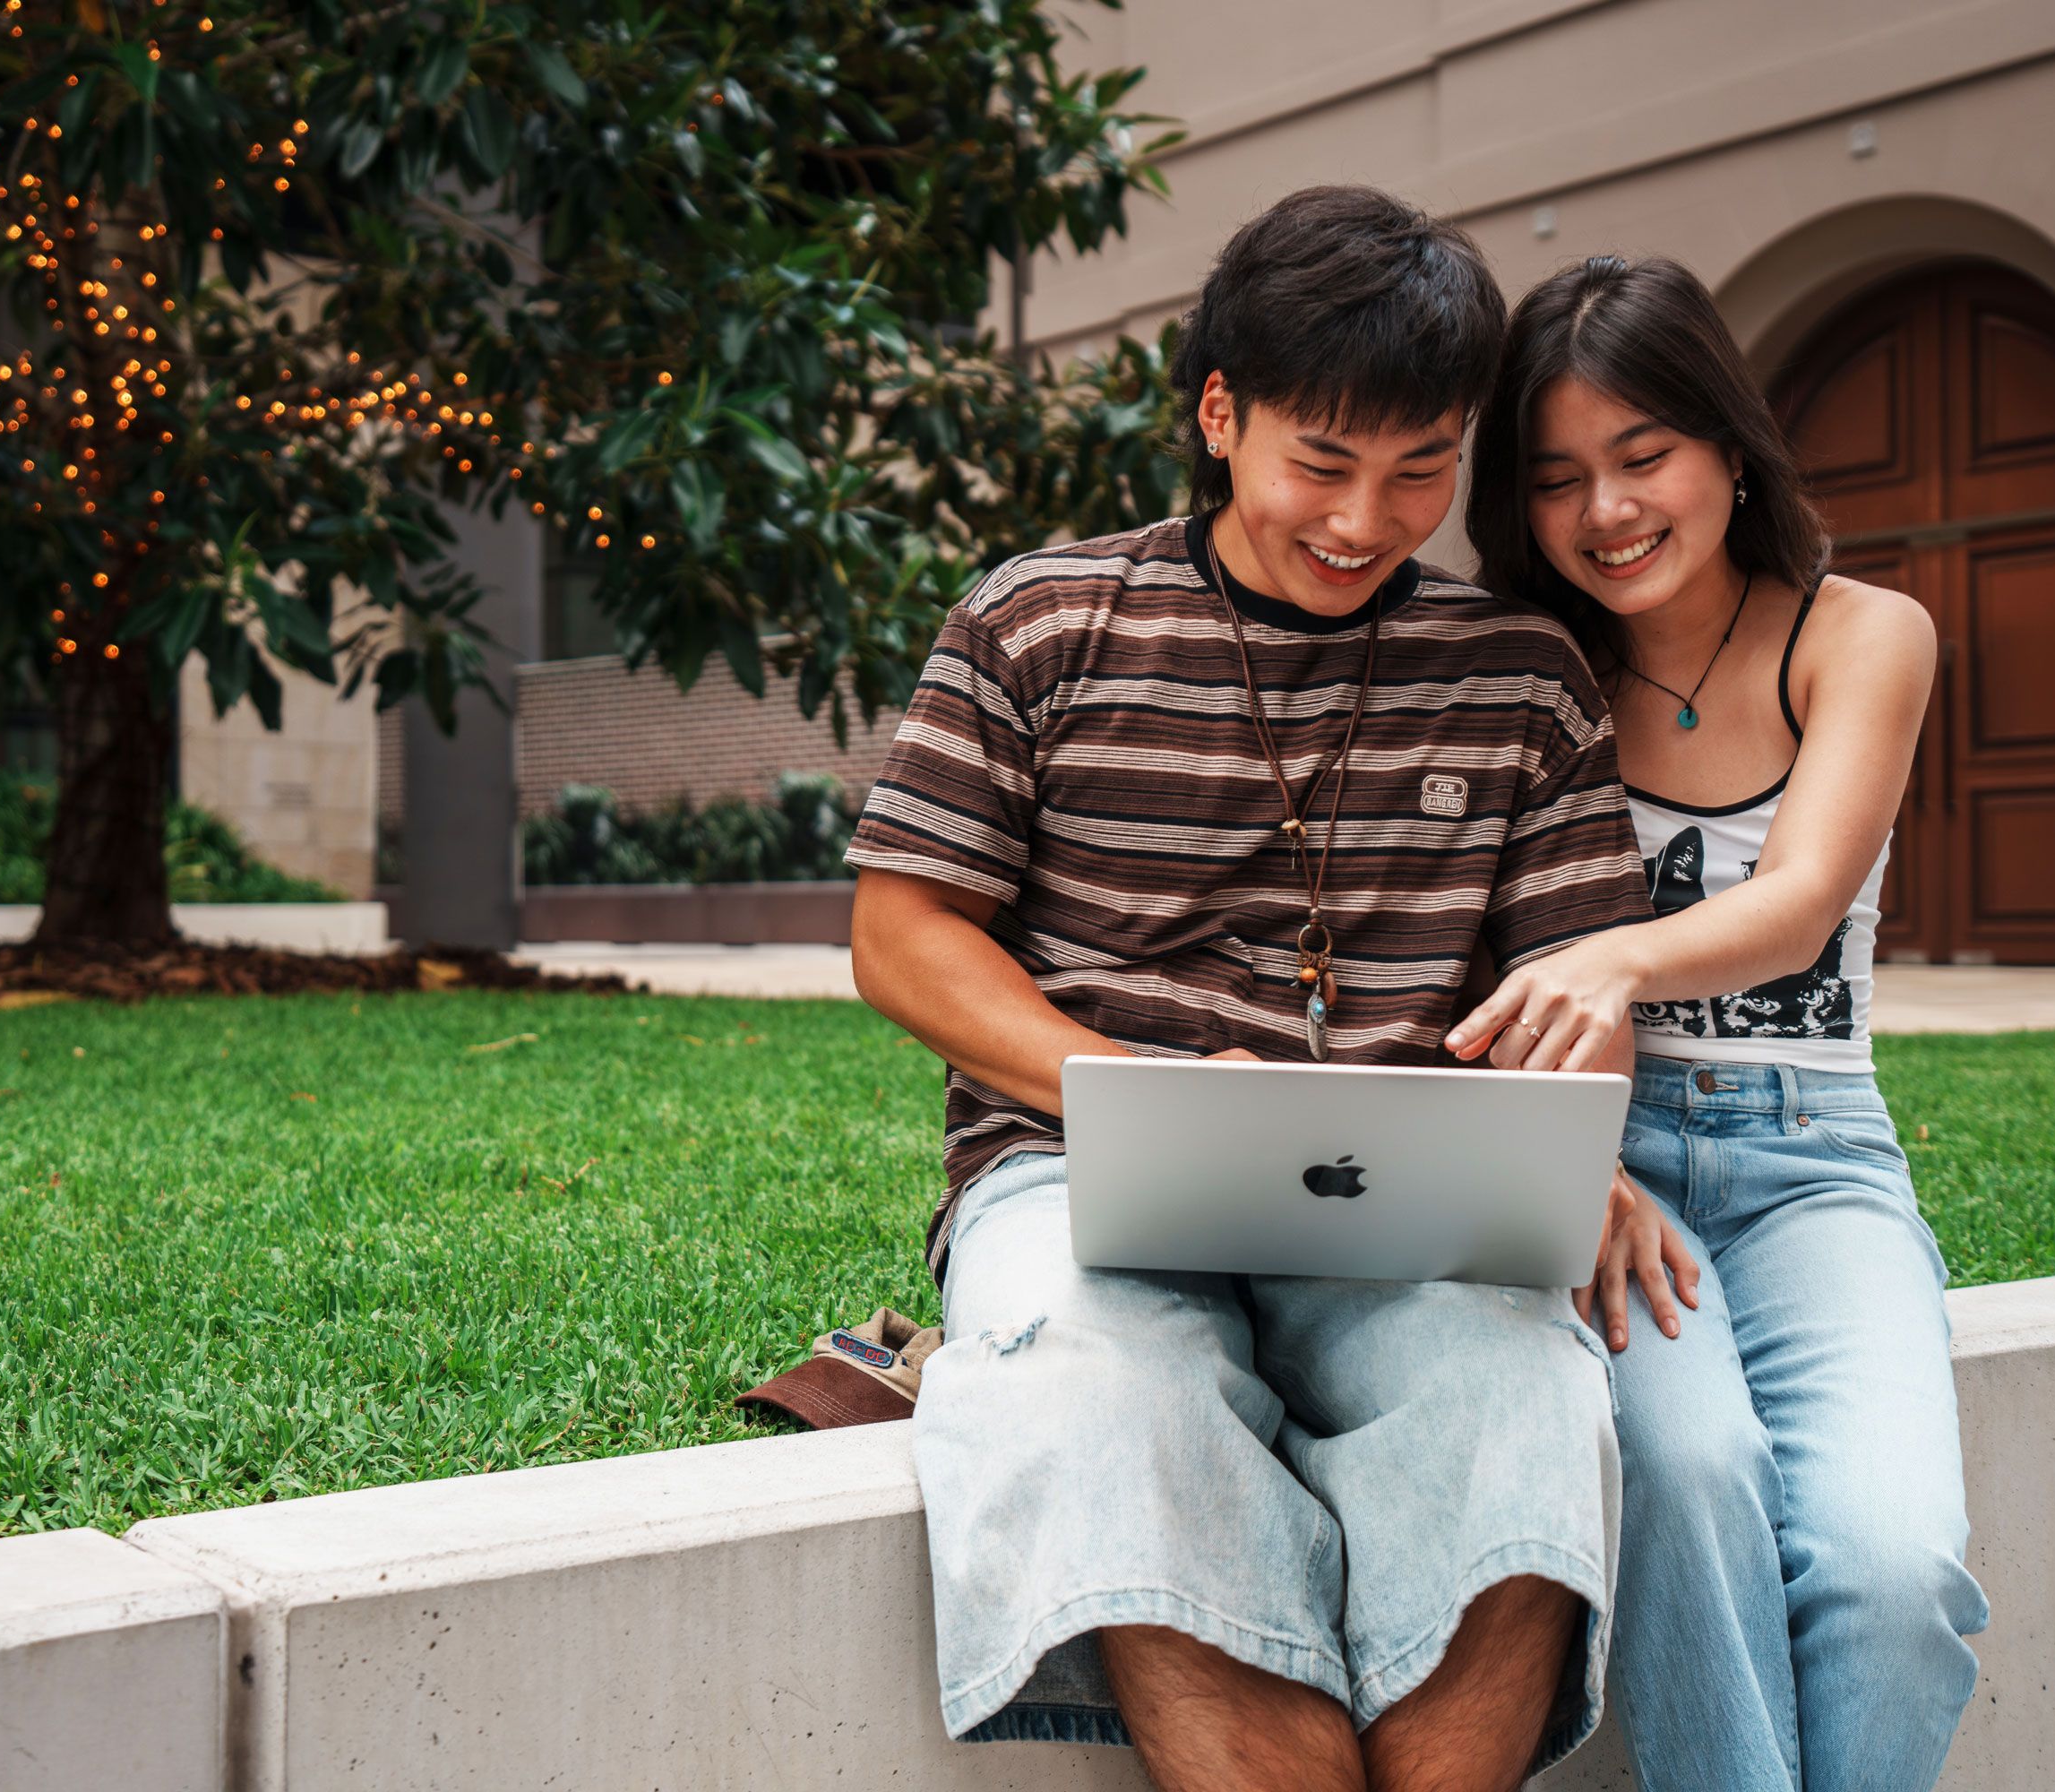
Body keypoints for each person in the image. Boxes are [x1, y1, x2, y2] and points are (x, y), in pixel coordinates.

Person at [845, 186, 1660, 1792]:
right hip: (1079, 1171)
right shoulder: (1040, 620)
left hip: (1413, 1208)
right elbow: (904, 932)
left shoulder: (1520, 674)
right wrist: (1110, 1085)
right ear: (1221, 415)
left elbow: (1580, 981)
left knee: (1531, 1408)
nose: (1367, 520)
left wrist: (1578, 1138)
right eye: (1323, 464)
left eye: (1422, 470)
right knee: (1103, 1396)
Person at [1449, 254, 1990, 1791]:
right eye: (1556, 480)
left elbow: (1806, 896)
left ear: (1727, 445)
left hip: (1814, 1155)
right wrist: (1562, 1155)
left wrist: (1615, 960)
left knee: (1898, 1568)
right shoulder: (1520, 668)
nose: (1607, 511)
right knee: (1691, 1480)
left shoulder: (1861, 630)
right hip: (1600, 1171)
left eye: (1643, 457)